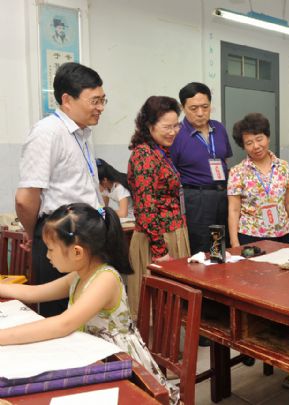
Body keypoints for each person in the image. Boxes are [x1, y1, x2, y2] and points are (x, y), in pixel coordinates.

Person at [0, 203, 179, 403]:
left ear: (77, 252)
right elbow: (35, 292)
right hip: (93, 358)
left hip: (123, 368)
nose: (47, 256)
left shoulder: (105, 279)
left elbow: (62, 324)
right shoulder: (79, 275)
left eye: (50, 249)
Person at [15, 62, 106, 317]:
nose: (100, 108)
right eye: (94, 101)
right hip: (60, 237)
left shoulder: (81, 134)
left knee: (86, 312)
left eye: (103, 100)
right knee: (59, 313)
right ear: (67, 100)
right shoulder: (47, 132)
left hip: (84, 235)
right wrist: (35, 234)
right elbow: (25, 199)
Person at [127, 96, 190, 318]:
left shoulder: (160, 151)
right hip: (157, 239)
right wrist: (160, 251)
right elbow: (145, 208)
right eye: (166, 127)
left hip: (172, 232)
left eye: (176, 126)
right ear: (149, 125)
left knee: (171, 307)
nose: (173, 132)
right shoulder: (143, 155)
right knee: (155, 310)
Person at [171, 82, 233, 255]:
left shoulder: (219, 128)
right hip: (196, 198)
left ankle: (219, 269)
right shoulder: (177, 134)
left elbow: (224, 160)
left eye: (205, 107)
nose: (200, 113)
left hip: (222, 195)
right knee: (202, 246)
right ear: (183, 108)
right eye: (194, 108)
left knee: (221, 246)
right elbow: (172, 171)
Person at [227, 113, 289, 247]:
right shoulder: (237, 172)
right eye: (249, 143)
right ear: (243, 146)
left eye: (259, 139)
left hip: (283, 233)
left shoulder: (284, 167)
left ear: (268, 137)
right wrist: (234, 241)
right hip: (251, 235)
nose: (256, 146)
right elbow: (234, 209)